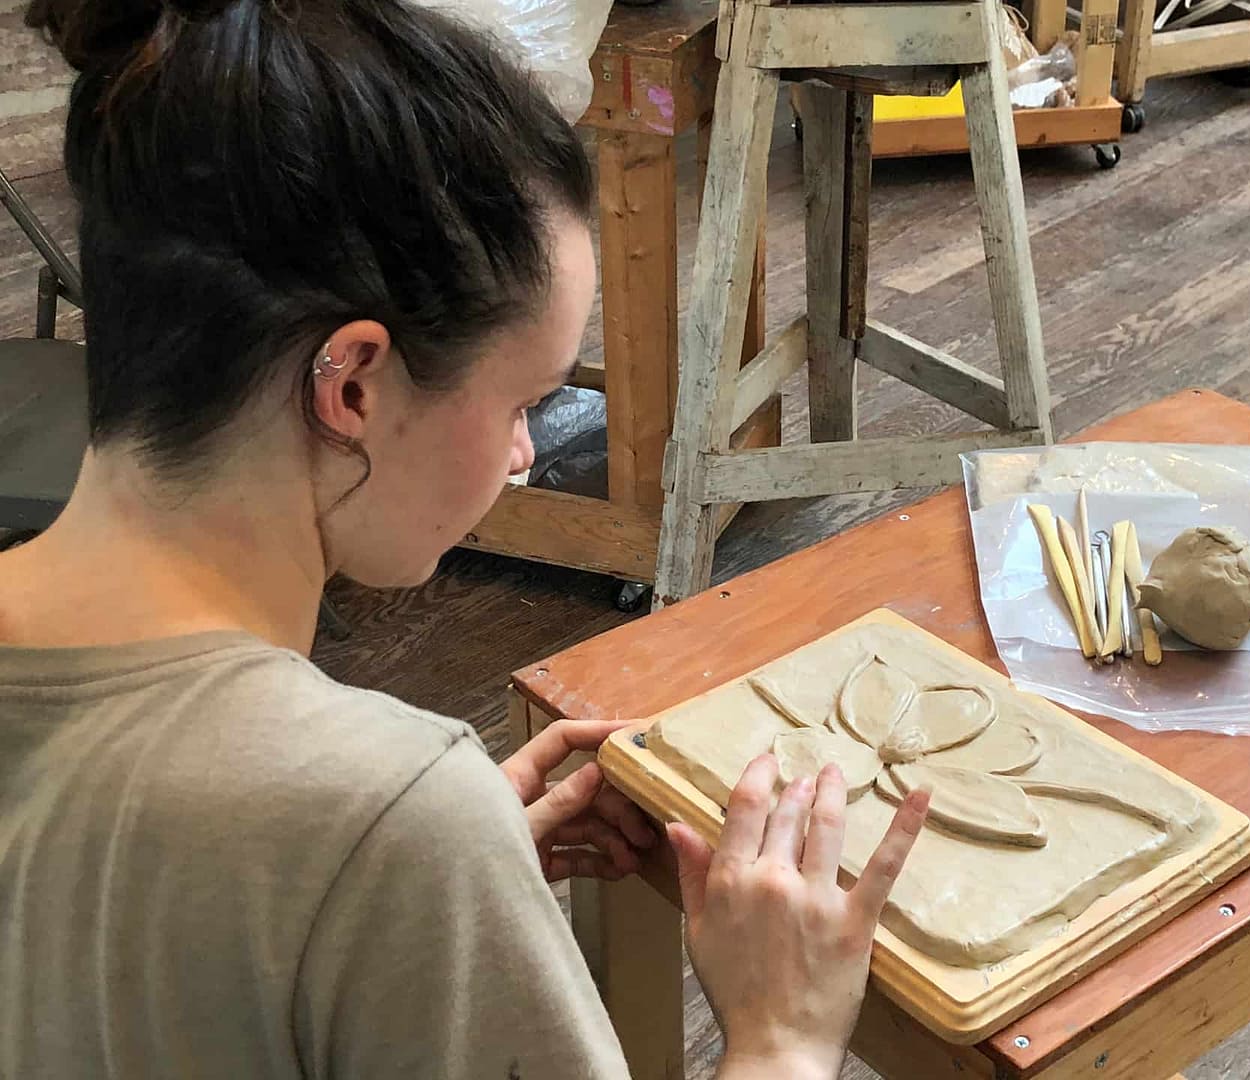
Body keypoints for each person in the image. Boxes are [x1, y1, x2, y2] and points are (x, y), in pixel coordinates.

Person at [0, 1, 931, 1077]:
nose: (527, 454)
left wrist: (393, 903)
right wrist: (784, 1036)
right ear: (350, 383)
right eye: (522, 400)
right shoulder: (387, 822)